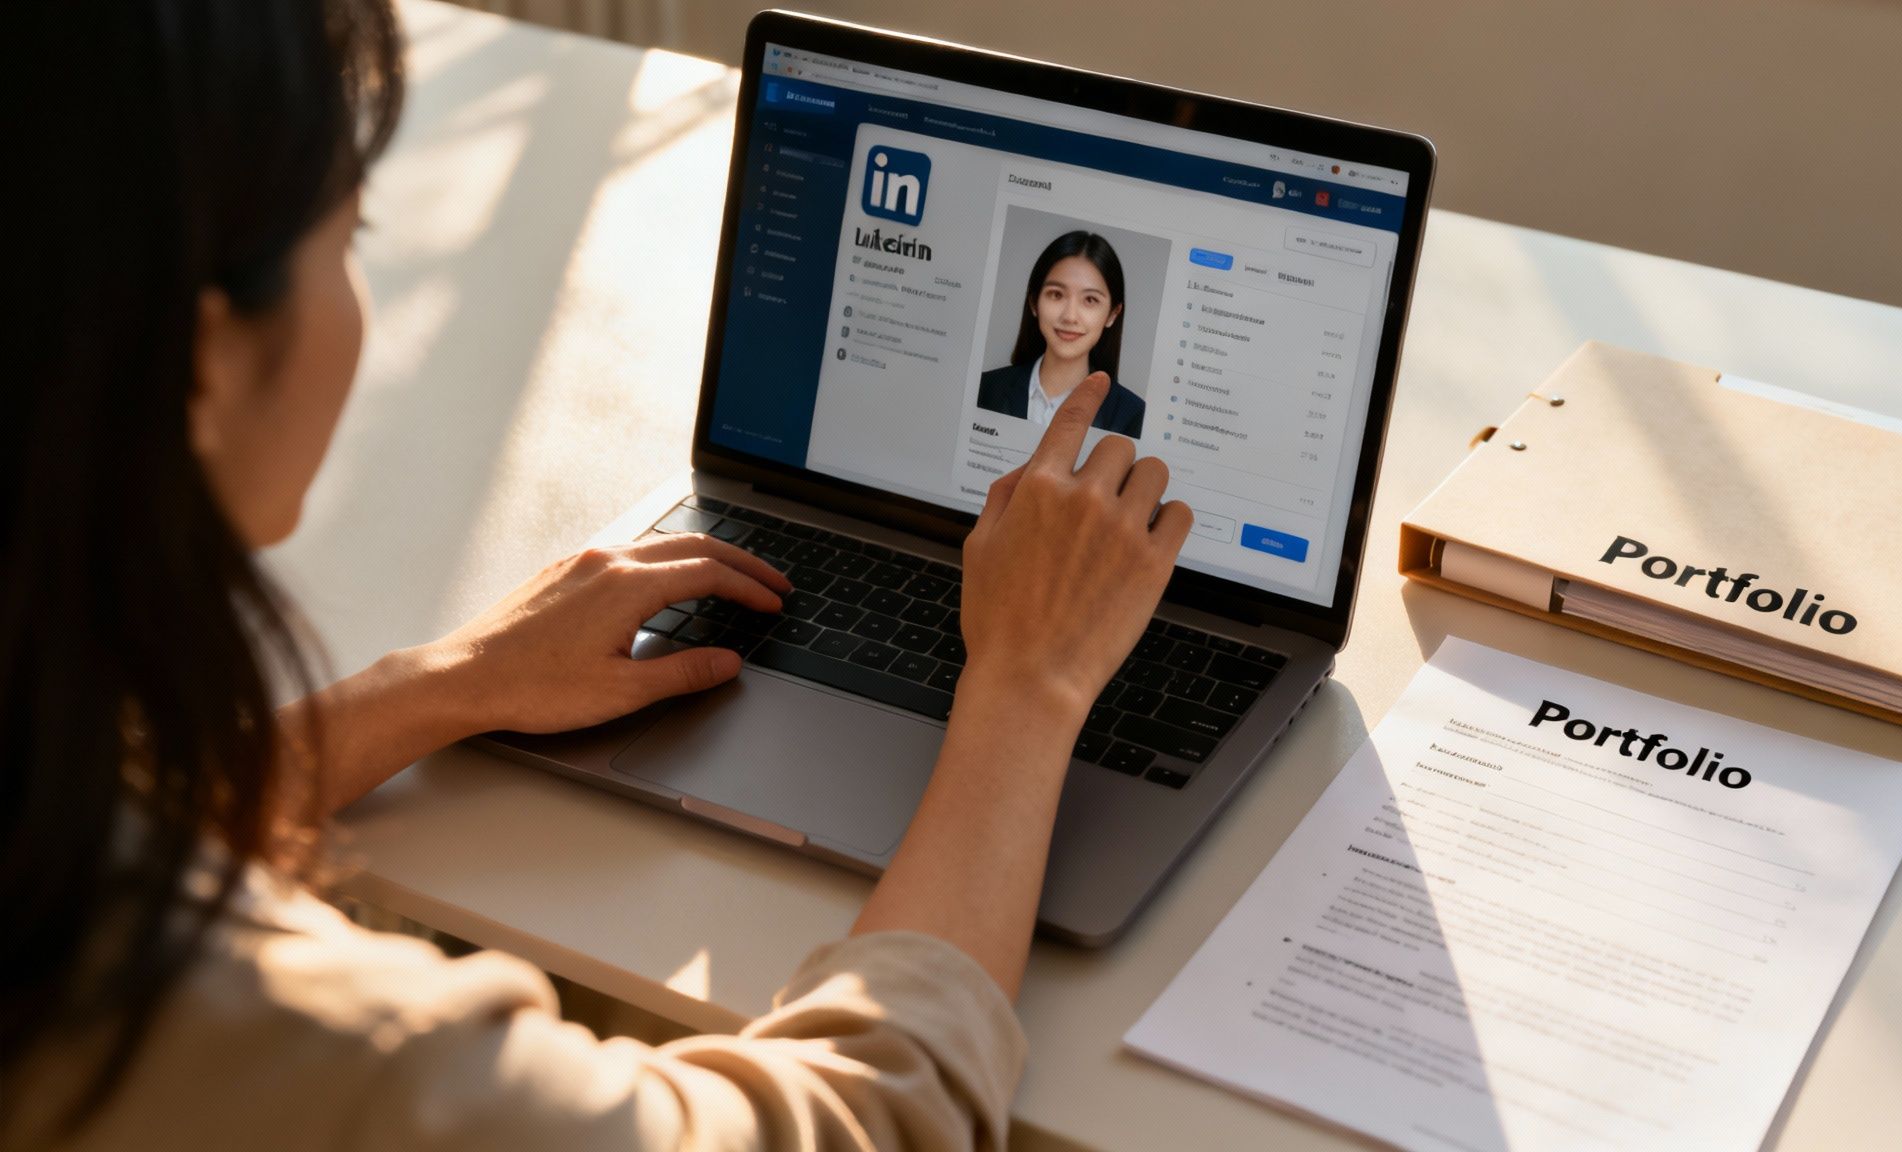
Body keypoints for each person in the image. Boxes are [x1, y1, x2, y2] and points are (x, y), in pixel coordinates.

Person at [0, 2, 1192, 1149]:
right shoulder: (302, 1044)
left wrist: (437, 686)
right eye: (347, 234)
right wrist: (1028, 683)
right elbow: (868, 1123)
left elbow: (104, 831)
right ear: (206, 361)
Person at [976, 231, 1147, 436]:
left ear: (1112, 314)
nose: (1070, 316)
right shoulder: (985, 389)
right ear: (1034, 302)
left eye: (1090, 300)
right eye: (1056, 295)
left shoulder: (1132, 416)